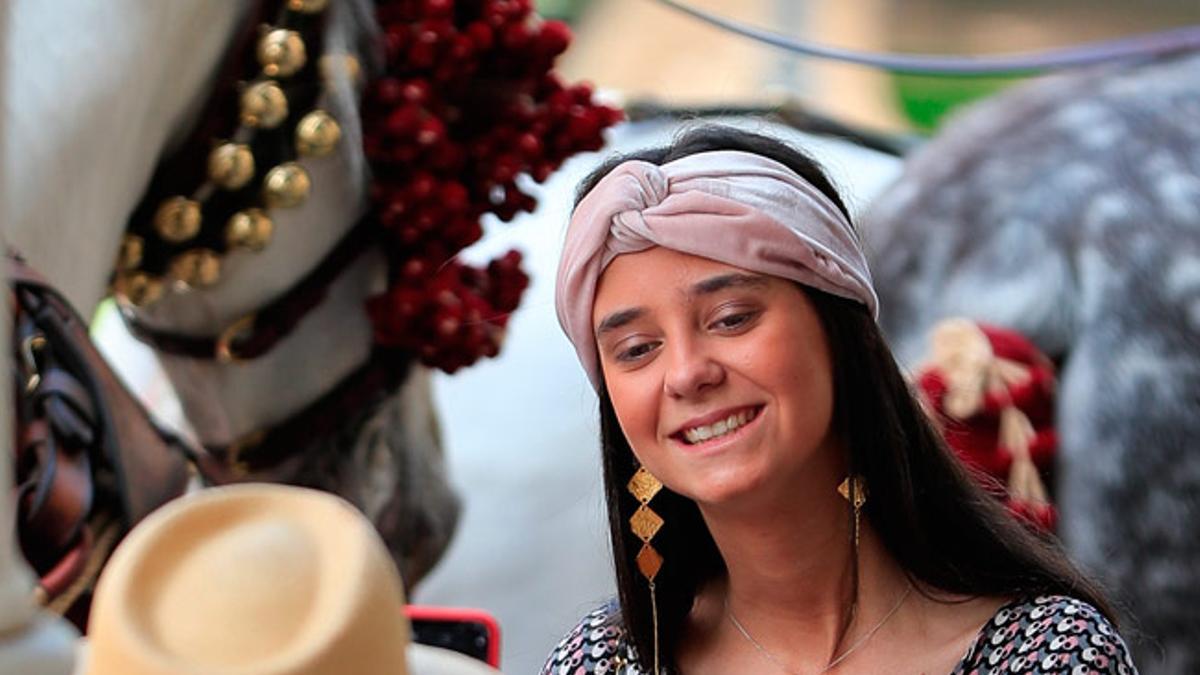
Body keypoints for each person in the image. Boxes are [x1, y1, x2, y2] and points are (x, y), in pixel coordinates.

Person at [542, 126, 1136, 674]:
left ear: (838, 331)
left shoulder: (1045, 656)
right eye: (638, 348)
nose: (687, 373)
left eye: (731, 318)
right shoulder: (603, 662)